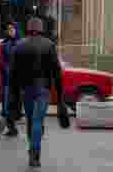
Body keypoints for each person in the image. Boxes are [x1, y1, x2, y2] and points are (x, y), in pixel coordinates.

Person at [10, 17, 70, 168]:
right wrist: (60, 97)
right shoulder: (49, 45)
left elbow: (13, 74)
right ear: (41, 28)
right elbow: (57, 72)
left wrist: (14, 95)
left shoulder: (19, 45)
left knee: (31, 120)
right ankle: (35, 155)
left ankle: (32, 149)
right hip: (43, 89)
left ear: (28, 28)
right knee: (38, 120)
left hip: (26, 89)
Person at [0, 22, 22, 137]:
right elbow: (2, 60)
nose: (10, 31)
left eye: (12, 29)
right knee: (8, 103)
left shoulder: (22, 43)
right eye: (8, 29)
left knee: (17, 103)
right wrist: (5, 68)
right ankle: (11, 128)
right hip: (7, 78)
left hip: (18, 79)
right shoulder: (5, 44)